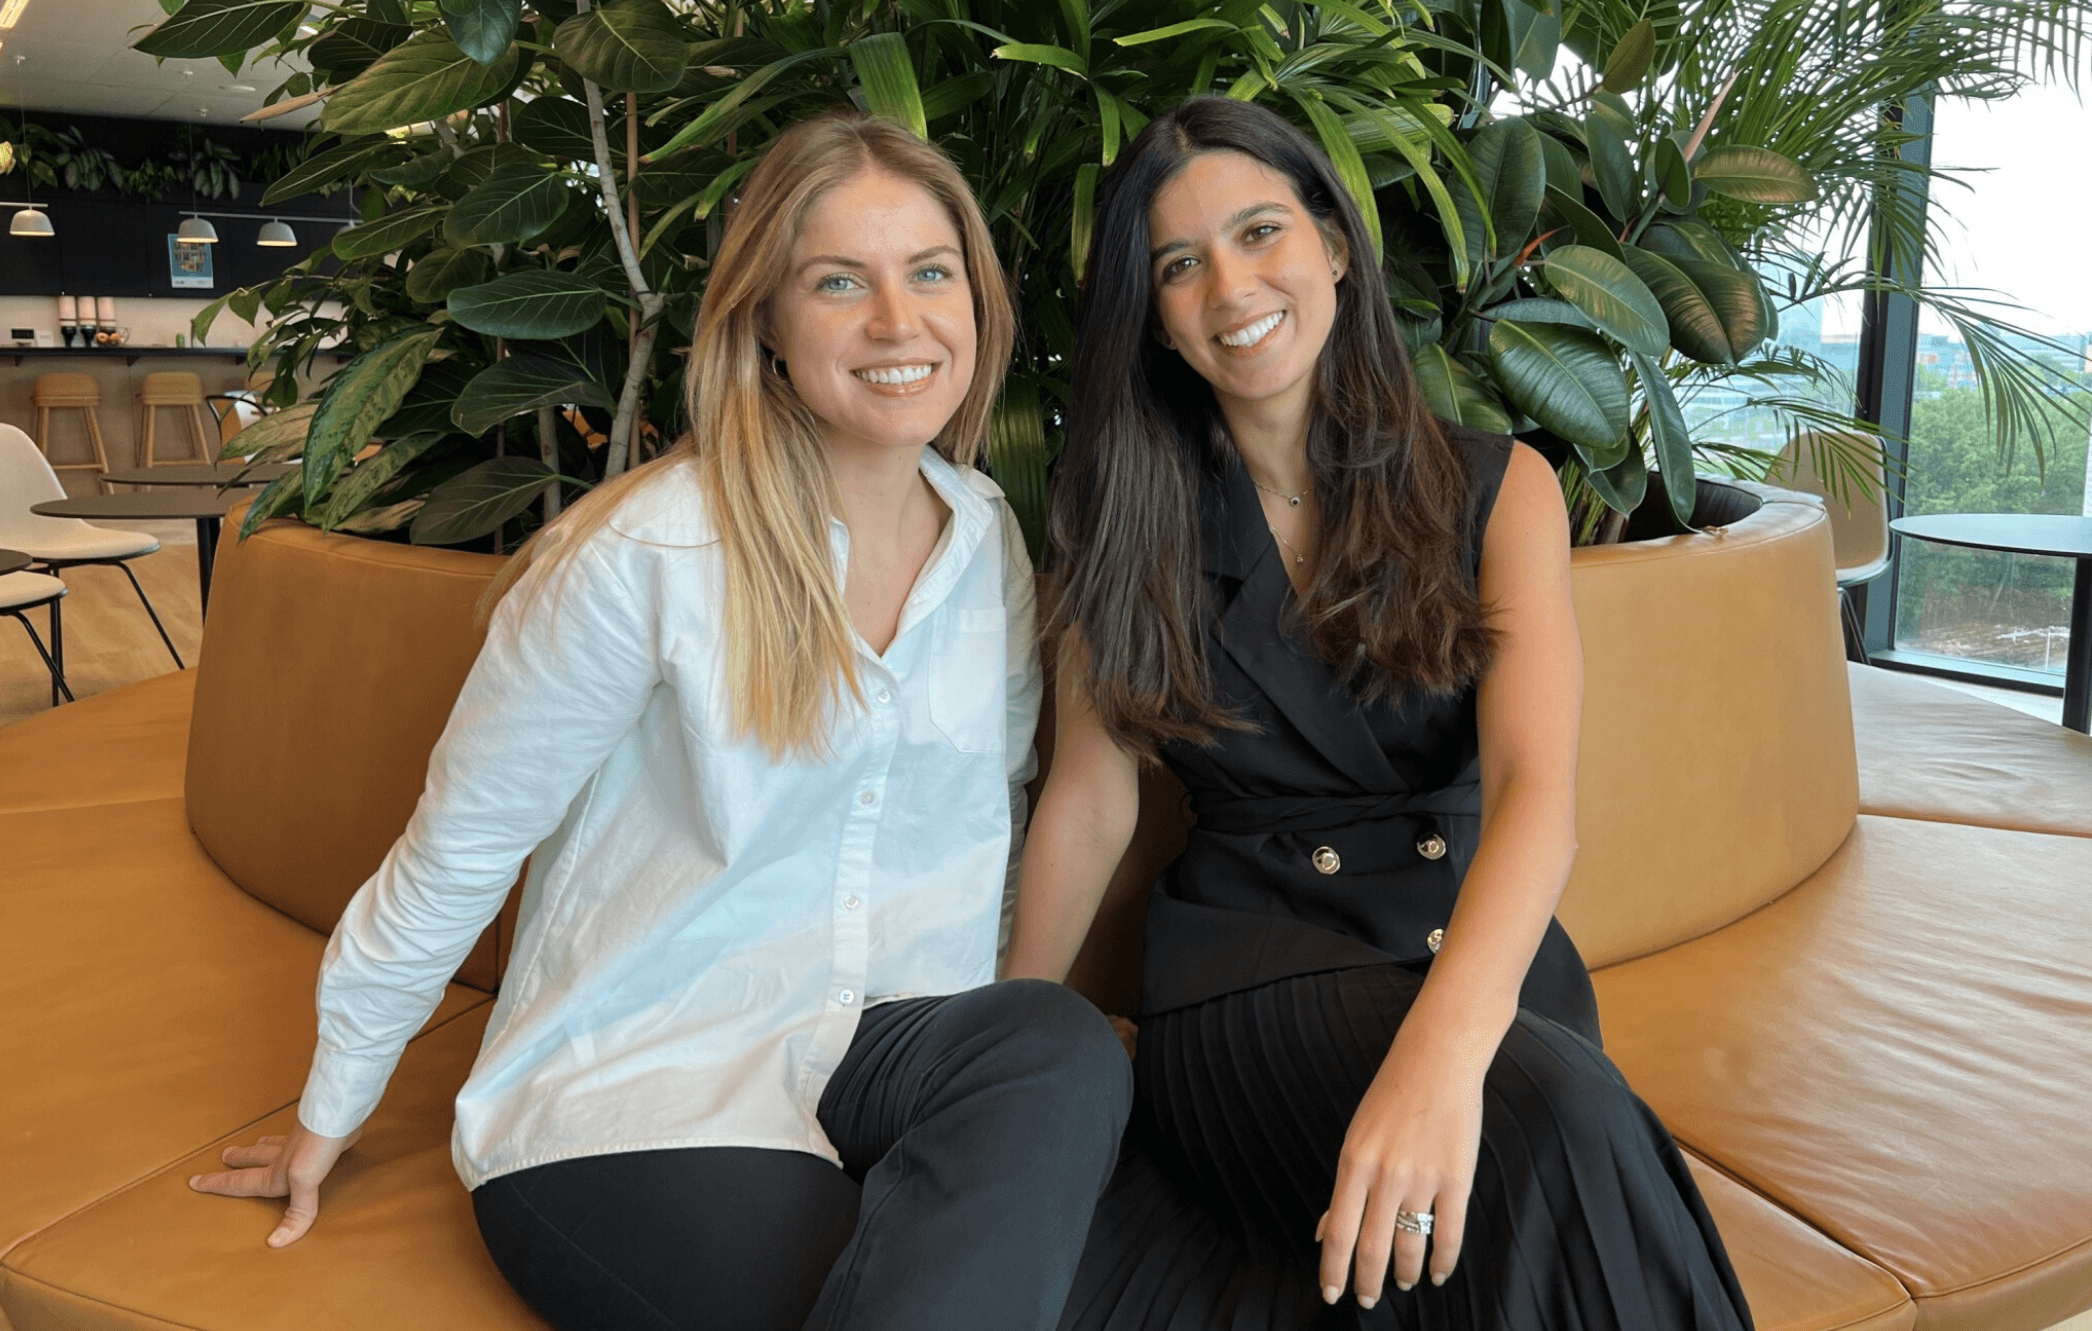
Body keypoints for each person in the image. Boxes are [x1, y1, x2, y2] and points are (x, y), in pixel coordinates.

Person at [189, 113, 1133, 1331]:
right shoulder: (650, 549)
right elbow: (460, 849)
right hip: (642, 1092)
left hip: (883, 1055)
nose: (900, 323)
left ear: (977, 301)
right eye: (839, 281)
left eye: (930, 272)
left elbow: (989, 812)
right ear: (766, 323)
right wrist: (333, 1106)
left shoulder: (984, 536)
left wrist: (1000, 1085)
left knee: (1055, 1040)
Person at [1006, 97, 1755, 1330]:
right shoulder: (1117, 511)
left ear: (1335, 247)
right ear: (1150, 312)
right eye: (1178, 264)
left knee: (1539, 1141)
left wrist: (1441, 1057)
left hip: (1475, 961)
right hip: (1254, 973)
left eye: (1259, 234)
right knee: (1558, 1135)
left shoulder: (1498, 486)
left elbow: (1534, 796)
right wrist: (1012, 1051)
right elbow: (1090, 802)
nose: (1228, 286)